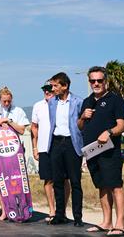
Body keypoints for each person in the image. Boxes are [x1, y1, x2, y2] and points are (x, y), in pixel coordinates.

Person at [78, 66, 124, 236]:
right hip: (92, 152)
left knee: (115, 186)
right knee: (102, 187)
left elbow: (121, 125)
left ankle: (120, 225)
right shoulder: (87, 101)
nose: (96, 83)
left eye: (99, 80)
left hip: (109, 152)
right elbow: (80, 126)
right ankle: (107, 222)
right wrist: (82, 117)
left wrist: (109, 132)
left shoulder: (115, 100)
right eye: (93, 81)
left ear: (105, 81)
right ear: (89, 82)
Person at [0, 86, 30, 221]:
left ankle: (20, 208)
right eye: (4, 101)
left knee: (17, 179)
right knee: (2, 180)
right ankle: (5, 210)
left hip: (14, 151)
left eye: (9, 101)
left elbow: (22, 130)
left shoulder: (18, 111)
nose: (7, 103)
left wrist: (9, 121)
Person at [47, 72, 85, 227]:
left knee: (75, 181)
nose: (53, 89)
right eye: (52, 85)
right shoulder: (52, 102)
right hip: (56, 142)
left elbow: (82, 124)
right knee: (57, 181)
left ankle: (78, 217)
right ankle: (59, 215)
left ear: (65, 86)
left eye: (55, 85)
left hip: (72, 143)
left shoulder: (78, 102)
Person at [32, 81, 70, 221]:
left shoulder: (61, 104)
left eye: (50, 89)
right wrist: (35, 147)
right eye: (45, 89)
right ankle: (52, 210)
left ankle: (62, 211)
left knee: (64, 179)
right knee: (48, 180)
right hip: (44, 148)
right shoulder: (38, 106)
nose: (47, 92)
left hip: (60, 146)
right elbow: (34, 127)